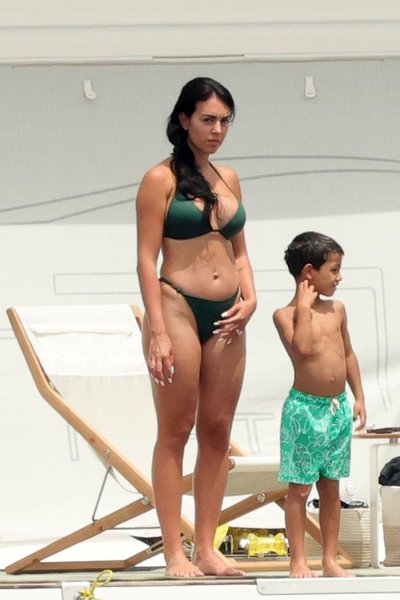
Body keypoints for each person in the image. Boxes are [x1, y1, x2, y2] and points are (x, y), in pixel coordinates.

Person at [136, 77, 257, 577]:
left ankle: (207, 547)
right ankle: (173, 551)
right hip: (177, 306)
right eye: (208, 119)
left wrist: (251, 298)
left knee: (217, 430)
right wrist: (158, 331)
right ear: (184, 119)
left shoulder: (228, 177)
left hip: (229, 312)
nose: (217, 129)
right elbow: (146, 259)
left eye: (225, 121)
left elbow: (239, 252)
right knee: (176, 430)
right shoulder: (159, 179)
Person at [272, 231, 366, 578]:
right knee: (299, 489)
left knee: (331, 488)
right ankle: (298, 559)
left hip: (336, 408)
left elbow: (348, 353)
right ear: (309, 272)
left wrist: (359, 396)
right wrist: (304, 308)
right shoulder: (285, 314)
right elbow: (303, 349)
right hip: (304, 412)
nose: (339, 278)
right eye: (334, 270)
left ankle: (329, 559)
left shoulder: (337, 309)